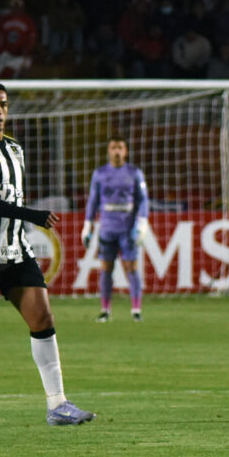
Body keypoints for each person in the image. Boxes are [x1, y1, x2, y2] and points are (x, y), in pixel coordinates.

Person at [0, 81, 95, 428]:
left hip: (16, 250)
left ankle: (57, 405)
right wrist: (34, 215)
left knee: (43, 319)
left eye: (4, 105)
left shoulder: (14, 147)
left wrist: (25, 223)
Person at [82, 136, 150, 323]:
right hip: (107, 228)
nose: (117, 151)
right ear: (108, 151)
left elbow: (143, 199)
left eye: (120, 147)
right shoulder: (100, 173)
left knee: (131, 267)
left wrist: (142, 223)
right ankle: (105, 310)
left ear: (126, 151)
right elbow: (93, 200)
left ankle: (136, 310)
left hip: (128, 228)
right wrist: (87, 225)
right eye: (113, 147)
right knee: (106, 268)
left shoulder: (135, 173)